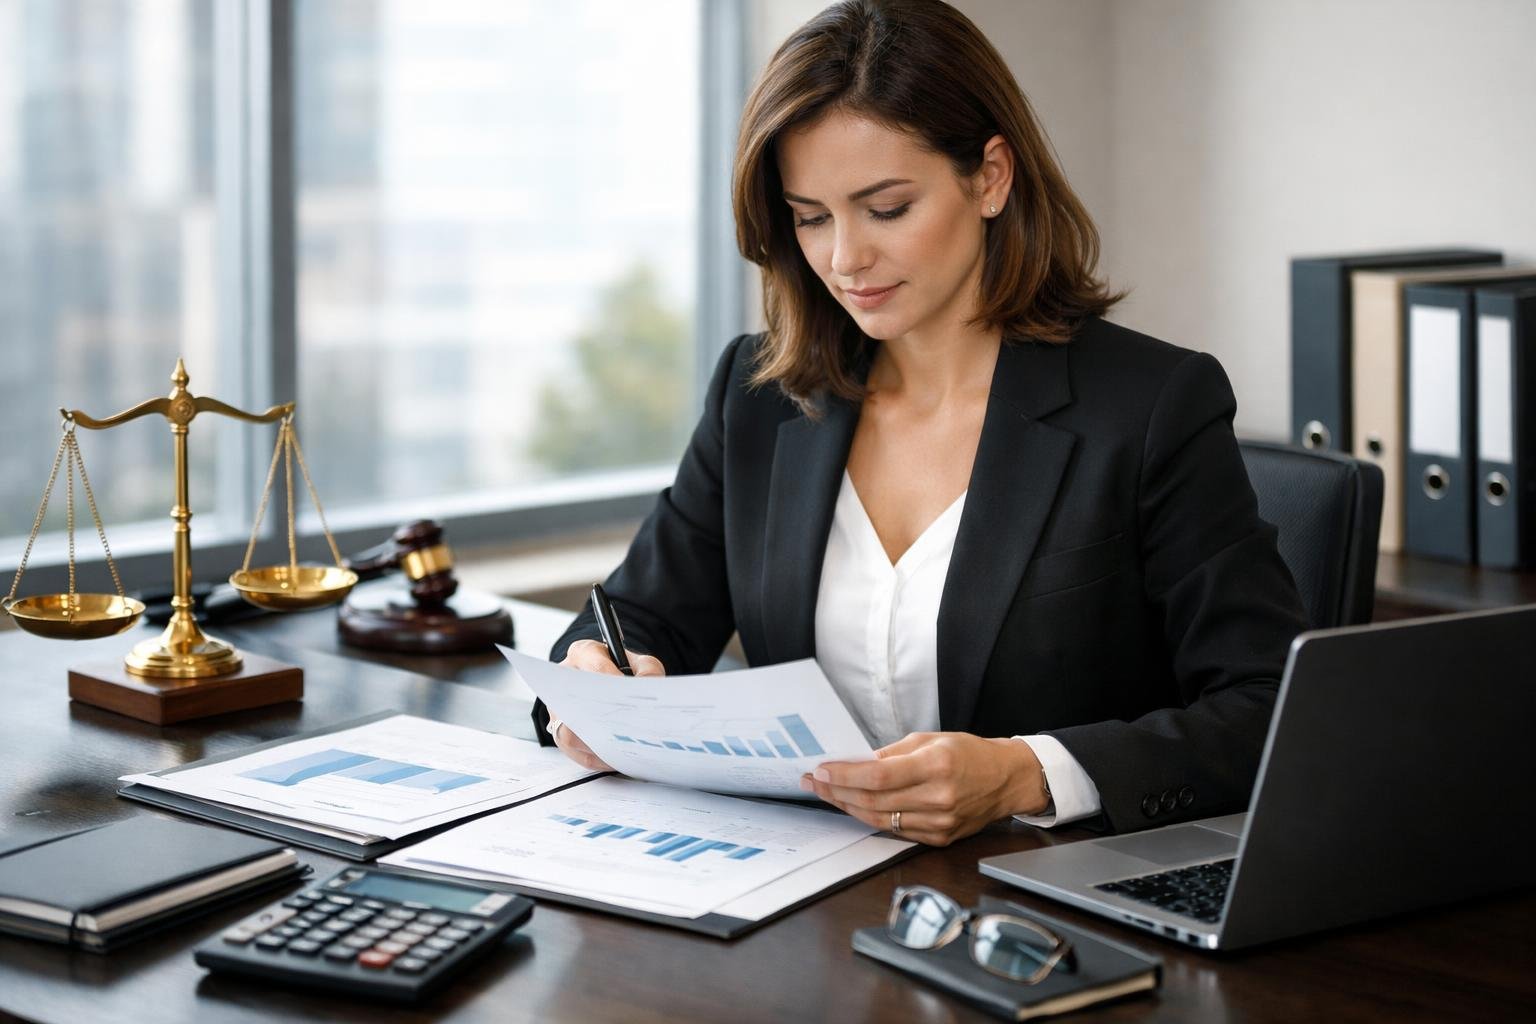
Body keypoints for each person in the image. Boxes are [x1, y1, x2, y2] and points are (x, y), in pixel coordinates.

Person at [535, 0, 1307, 846]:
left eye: (887, 207)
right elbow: (632, 621)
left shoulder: (1153, 405)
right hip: (808, 901)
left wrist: (1026, 772)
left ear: (990, 177)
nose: (843, 258)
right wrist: (593, 686)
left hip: (1050, 902)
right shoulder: (758, 396)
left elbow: (1267, 711)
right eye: (811, 216)